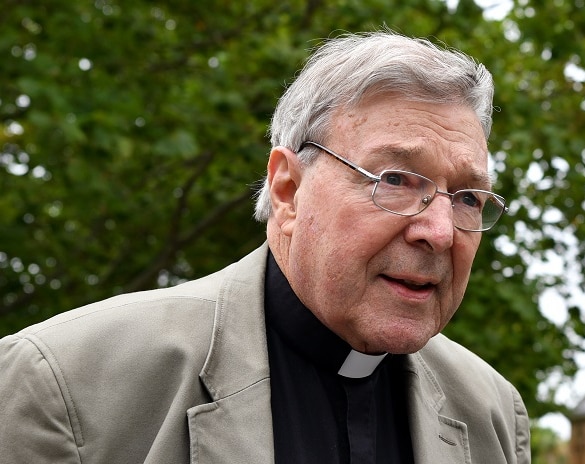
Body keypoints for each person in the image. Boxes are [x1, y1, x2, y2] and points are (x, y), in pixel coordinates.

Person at [0, 31, 530, 463]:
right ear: (288, 191)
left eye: (466, 197)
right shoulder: (67, 384)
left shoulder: (491, 412)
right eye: (394, 179)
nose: (439, 231)